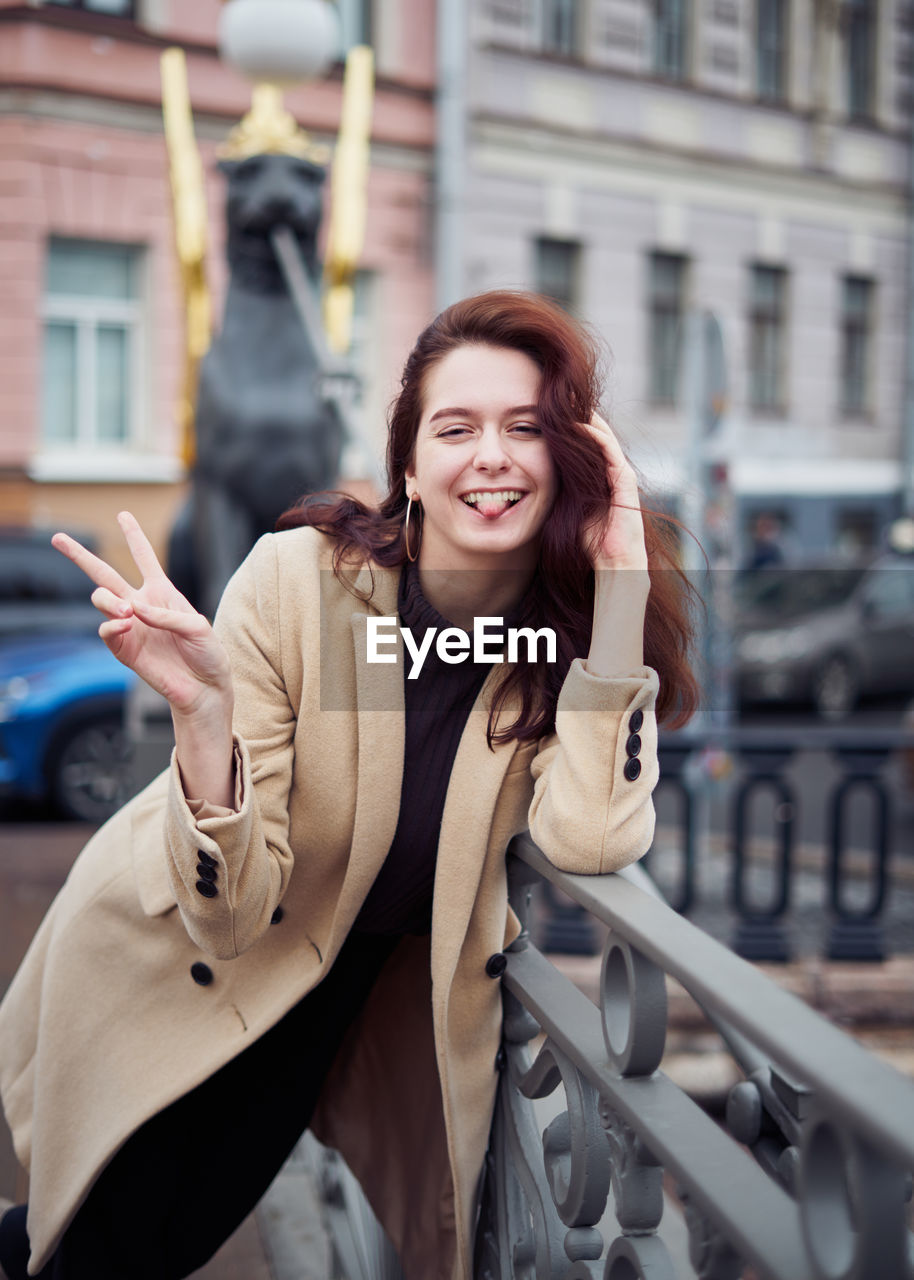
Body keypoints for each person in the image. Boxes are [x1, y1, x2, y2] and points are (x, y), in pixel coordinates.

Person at [0, 291, 697, 1280]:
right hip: (174, 958)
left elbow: (589, 840)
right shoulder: (301, 584)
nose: (489, 455)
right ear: (408, 467)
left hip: (319, 1008)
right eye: (454, 428)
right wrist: (202, 718)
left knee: (123, 1245)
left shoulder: (557, 654)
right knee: (91, 1247)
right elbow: (233, 907)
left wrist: (619, 576)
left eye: (524, 428)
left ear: (568, 461)